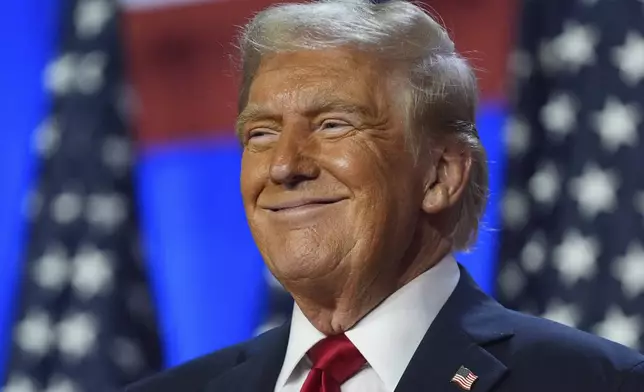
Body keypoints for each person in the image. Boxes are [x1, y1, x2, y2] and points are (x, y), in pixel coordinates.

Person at [127, 1, 644, 391]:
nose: (284, 166)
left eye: (332, 125)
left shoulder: (597, 382)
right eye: (260, 133)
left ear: (440, 175)